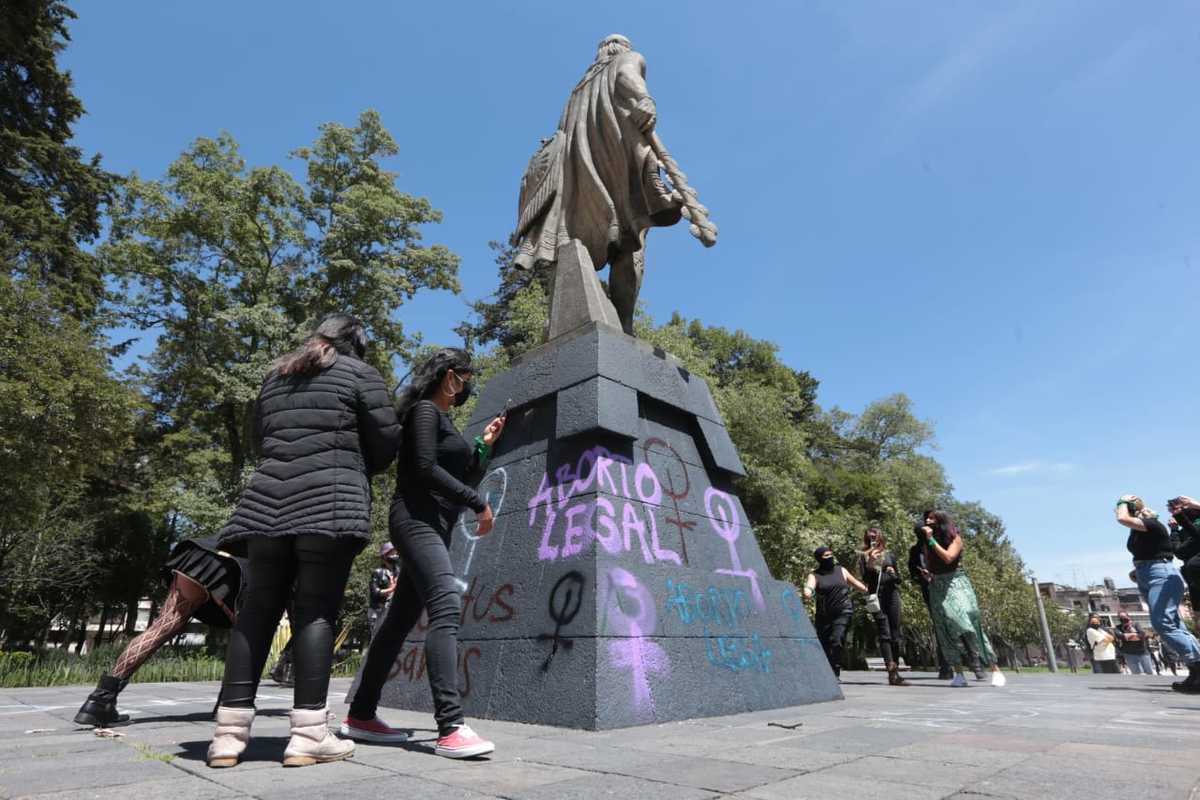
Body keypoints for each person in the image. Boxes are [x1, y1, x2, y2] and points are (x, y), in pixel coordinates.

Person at [206, 314, 400, 768]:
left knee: (256, 612)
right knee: (315, 610)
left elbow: (261, 440)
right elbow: (387, 441)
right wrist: (351, 465)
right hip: (328, 504)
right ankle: (310, 735)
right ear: (356, 344)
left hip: (267, 503)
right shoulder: (359, 374)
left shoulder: (276, 377)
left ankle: (228, 737)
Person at [343, 348, 507, 759]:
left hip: (433, 525)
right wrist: (477, 502)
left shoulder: (443, 421)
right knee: (446, 606)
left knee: (398, 622)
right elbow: (422, 469)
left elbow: (463, 472)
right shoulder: (423, 413)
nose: (469, 384)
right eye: (466, 377)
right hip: (414, 521)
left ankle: (360, 714)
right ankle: (450, 726)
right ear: (450, 376)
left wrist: (484, 447)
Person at [74, 537, 244, 727]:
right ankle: (228, 705)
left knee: (162, 626)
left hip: (201, 553)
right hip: (236, 564)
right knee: (246, 634)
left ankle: (99, 701)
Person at [1115, 495, 1200, 693]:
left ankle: (1197, 662)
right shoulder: (1139, 532)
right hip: (1149, 574)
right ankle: (1195, 672)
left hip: (1161, 574)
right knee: (1174, 624)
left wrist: (1122, 503)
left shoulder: (1153, 524)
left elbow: (1122, 518)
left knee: (1162, 622)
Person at [921, 510, 1007, 687]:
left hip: (956, 583)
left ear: (942, 522)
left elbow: (948, 557)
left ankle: (995, 669)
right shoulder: (927, 543)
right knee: (944, 628)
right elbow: (935, 563)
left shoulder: (955, 539)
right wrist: (929, 574)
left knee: (966, 623)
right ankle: (959, 673)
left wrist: (931, 540)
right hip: (937, 585)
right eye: (927, 519)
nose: (927, 521)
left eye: (932, 519)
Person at [804, 547, 868, 679]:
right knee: (825, 643)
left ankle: (835, 670)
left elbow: (857, 584)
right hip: (824, 615)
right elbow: (809, 588)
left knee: (837, 639)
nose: (830, 557)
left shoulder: (841, 570)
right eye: (826, 556)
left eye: (831, 554)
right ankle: (828, 671)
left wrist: (869, 590)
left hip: (843, 611)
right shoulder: (815, 575)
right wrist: (808, 591)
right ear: (819, 559)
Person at [857, 528, 908, 686]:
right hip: (876, 598)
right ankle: (891, 669)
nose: (872, 539)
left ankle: (896, 671)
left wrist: (892, 572)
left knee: (895, 633)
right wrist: (871, 562)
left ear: (881, 538)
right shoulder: (863, 556)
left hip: (892, 596)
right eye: (869, 537)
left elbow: (898, 580)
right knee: (884, 632)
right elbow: (865, 578)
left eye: (875, 536)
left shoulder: (890, 555)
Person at [1167, 496, 1200, 614]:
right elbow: (1179, 552)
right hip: (1194, 580)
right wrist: (1174, 531)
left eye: (1181, 508)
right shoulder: (1182, 531)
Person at [368, 542, 400, 636]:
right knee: (376, 637)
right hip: (378, 611)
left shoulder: (398, 571)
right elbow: (375, 592)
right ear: (385, 556)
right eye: (392, 553)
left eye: (396, 553)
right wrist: (392, 589)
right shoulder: (378, 572)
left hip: (391, 610)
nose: (395, 555)